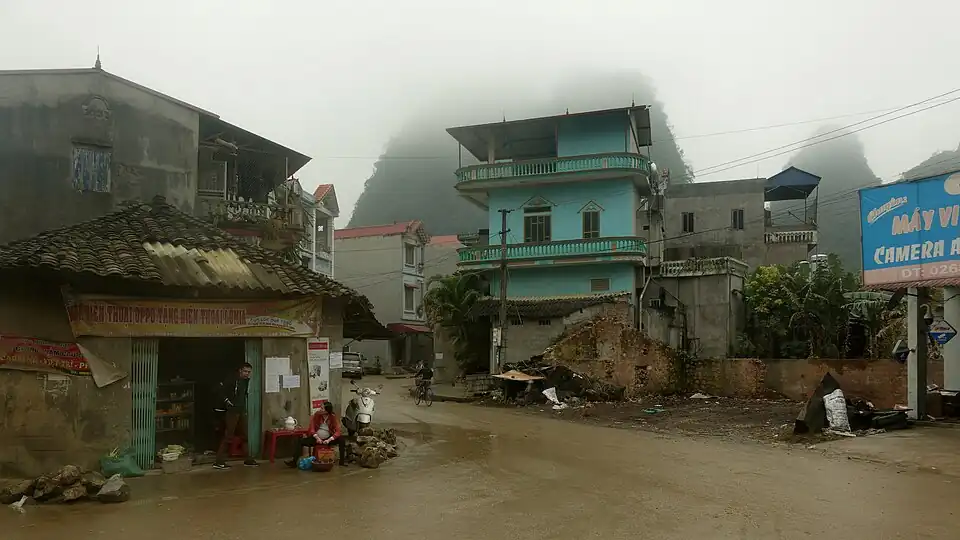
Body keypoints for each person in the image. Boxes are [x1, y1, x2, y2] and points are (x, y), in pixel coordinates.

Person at [213, 362, 259, 470]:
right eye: (245, 371)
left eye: (249, 372)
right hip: (232, 411)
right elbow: (220, 390)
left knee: (244, 436)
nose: (247, 374)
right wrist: (227, 402)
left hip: (241, 410)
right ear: (240, 371)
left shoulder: (245, 381)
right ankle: (219, 461)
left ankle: (248, 459)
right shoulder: (232, 380)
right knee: (228, 436)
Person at [286, 402, 346, 468]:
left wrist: (329, 439)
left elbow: (338, 431)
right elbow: (312, 428)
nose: (320, 409)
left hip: (328, 439)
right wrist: (317, 437)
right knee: (300, 441)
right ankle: (294, 462)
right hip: (316, 439)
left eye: (322, 408)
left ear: (327, 410)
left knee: (342, 440)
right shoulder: (317, 415)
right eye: (321, 407)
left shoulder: (332, 417)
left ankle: (342, 462)